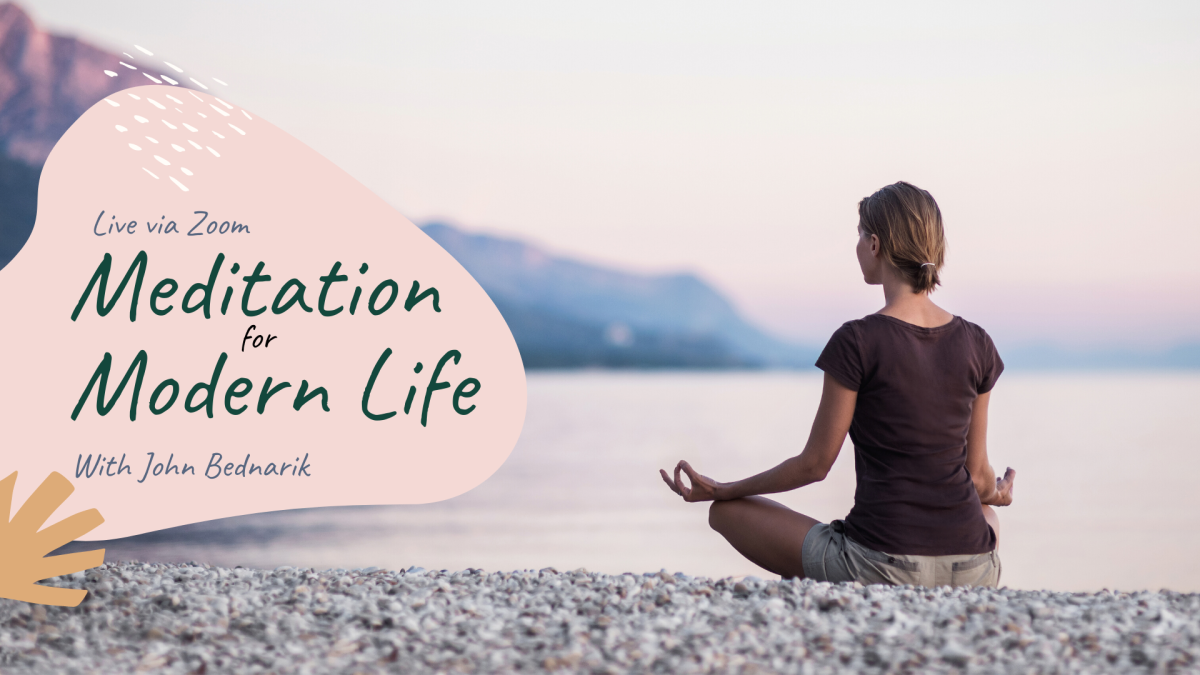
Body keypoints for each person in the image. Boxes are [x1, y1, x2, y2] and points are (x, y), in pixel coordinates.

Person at [660, 181, 1015, 588]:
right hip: (973, 568)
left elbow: (815, 464)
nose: (858, 247)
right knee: (989, 515)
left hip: (879, 568)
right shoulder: (977, 342)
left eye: (859, 236)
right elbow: (977, 478)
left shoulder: (857, 340)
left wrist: (724, 489)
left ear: (876, 244)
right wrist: (998, 491)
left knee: (724, 512)